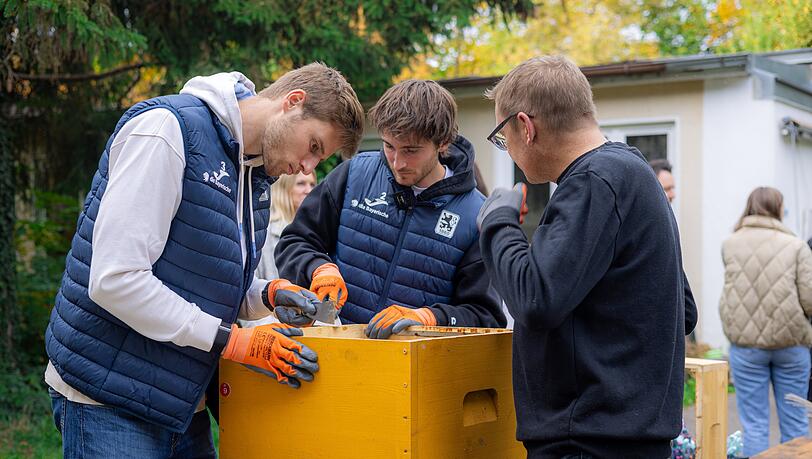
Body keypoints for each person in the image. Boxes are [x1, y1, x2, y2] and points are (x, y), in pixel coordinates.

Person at [44, 64, 364, 457]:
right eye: (314, 146)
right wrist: (233, 341)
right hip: (110, 399)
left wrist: (268, 294)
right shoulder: (166, 130)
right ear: (292, 103)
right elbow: (116, 280)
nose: (308, 167)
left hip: (182, 403)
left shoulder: (254, 176)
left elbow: (203, 276)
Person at [476, 55, 697, 458]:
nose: (507, 151)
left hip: (588, 442)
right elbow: (683, 311)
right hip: (627, 439)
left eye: (503, 137)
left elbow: (535, 299)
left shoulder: (595, 182)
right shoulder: (634, 174)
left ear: (526, 127)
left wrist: (497, 223)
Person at [275, 79, 505, 338]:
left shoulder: (476, 215)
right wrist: (318, 268)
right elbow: (295, 241)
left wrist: (427, 318)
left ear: (443, 142)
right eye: (389, 146)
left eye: (411, 150)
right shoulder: (354, 174)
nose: (397, 162)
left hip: (414, 368)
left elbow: (485, 317)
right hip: (336, 350)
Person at [719, 186, 812, 457]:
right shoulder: (795, 245)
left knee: (754, 426)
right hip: (791, 343)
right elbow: (809, 298)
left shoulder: (730, 243)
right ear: (778, 208)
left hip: (745, 345)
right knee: (795, 424)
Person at [256, 172, 317, 279]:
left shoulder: (315, 230)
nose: (309, 190)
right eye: (301, 183)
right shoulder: (265, 230)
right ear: (284, 188)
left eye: (312, 184)